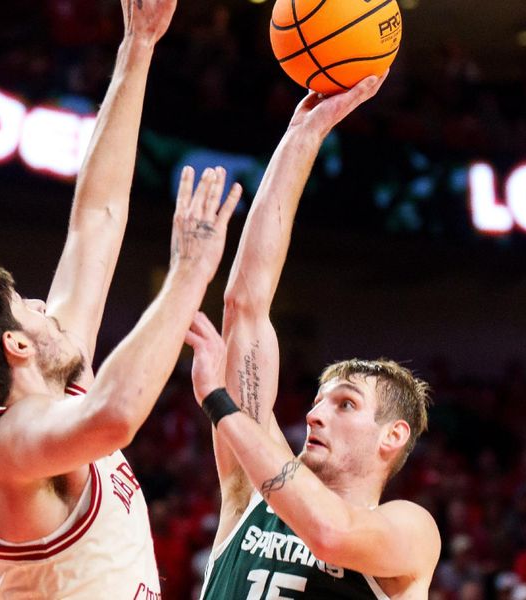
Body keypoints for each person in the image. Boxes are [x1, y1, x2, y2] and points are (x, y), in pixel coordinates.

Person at [0, 0, 242, 595]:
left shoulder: (55, 380)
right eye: (29, 305)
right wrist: (186, 276)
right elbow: (115, 416)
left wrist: (139, 46)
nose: (47, 306)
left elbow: (96, 220)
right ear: (16, 345)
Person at [184, 75, 442, 599]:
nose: (313, 415)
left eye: (345, 405)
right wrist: (303, 135)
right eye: (322, 401)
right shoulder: (251, 492)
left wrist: (219, 400)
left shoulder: (410, 532)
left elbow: (331, 533)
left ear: (392, 436)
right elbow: (245, 307)